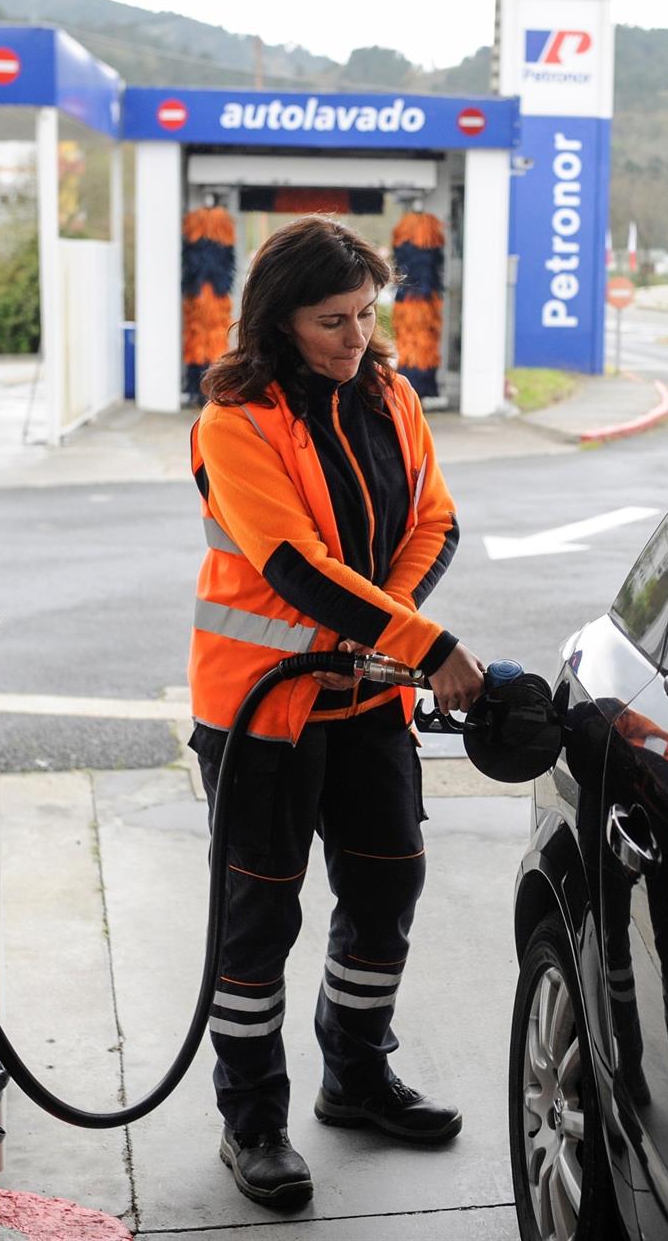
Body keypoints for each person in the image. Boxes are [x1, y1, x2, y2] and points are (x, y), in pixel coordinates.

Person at [186, 215, 486, 1208]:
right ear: (280, 318)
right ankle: (252, 1122)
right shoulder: (236, 422)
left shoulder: (391, 396)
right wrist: (425, 645)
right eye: (332, 320)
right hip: (263, 716)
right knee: (258, 922)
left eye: (366, 313)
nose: (357, 337)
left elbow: (435, 520)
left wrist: (389, 632)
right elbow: (293, 567)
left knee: (388, 883)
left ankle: (355, 1078)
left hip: (367, 704)